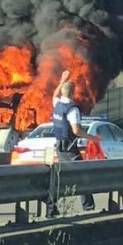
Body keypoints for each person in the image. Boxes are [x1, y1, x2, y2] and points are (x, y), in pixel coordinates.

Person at [51, 70, 98, 212]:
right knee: (82, 176)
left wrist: (62, 80)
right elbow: (76, 131)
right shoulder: (72, 109)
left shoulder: (57, 104)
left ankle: (51, 207)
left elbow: (55, 95)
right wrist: (93, 138)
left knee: (63, 177)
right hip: (69, 148)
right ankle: (88, 206)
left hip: (59, 147)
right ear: (73, 93)